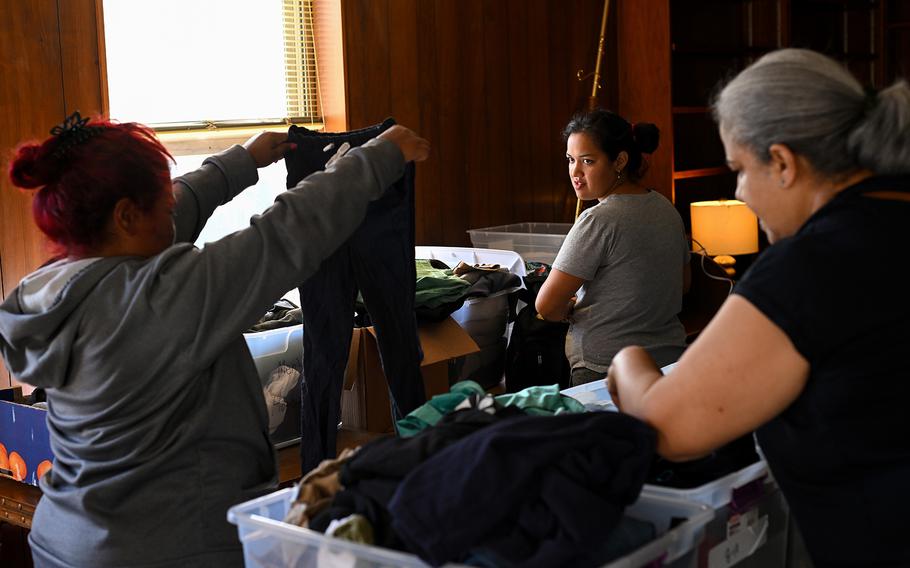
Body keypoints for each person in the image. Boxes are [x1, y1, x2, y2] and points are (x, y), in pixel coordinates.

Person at [0, 111, 430, 567]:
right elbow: (285, 235)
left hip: (66, 541)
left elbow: (171, 218)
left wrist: (240, 162)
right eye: (161, 204)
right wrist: (378, 158)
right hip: (171, 553)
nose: (172, 210)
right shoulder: (167, 299)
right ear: (126, 215)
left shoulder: (51, 288)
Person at [607, 48, 910, 567]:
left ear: (784, 162)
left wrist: (626, 362)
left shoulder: (813, 265)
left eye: (740, 170)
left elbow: (670, 428)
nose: (741, 194)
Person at [536, 108, 690, 387]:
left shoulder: (598, 219)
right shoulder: (666, 208)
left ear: (619, 160)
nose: (576, 172)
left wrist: (568, 310)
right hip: (670, 364)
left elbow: (546, 306)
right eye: (571, 160)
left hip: (606, 370)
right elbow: (683, 286)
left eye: (588, 161)